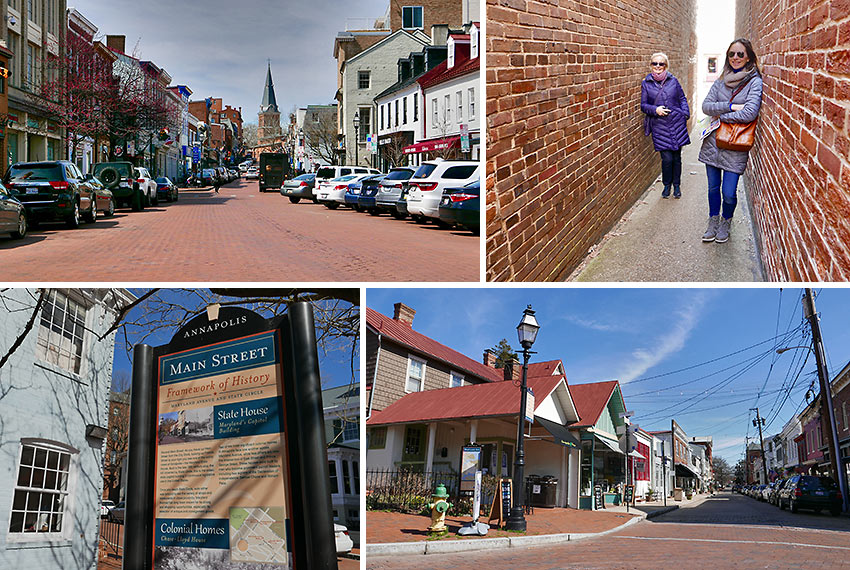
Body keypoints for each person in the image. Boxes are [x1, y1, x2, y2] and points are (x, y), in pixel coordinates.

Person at [699, 38, 763, 243]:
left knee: (728, 192)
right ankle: (713, 220)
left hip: (736, 144)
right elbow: (706, 107)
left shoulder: (754, 82)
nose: (735, 58)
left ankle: (726, 220)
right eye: (731, 54)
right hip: (713, 143)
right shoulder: (720, 80)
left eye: (740, 54)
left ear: (749, 57)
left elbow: (750, 113)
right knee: (712, 188)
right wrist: (731, 106)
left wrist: (721, 116)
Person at [640, 52, 691, 199]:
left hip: (676, 123)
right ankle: (666, 185)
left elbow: (681, 98)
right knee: (667, 159)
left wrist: (685, 114)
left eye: (661, 64)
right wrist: (655, 110)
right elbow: (643, 105)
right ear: (651, 65)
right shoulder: (646, 83)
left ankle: (676, 185)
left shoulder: (673, 81)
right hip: (659, 126)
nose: (657, 66)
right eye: (654, 63)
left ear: (666, 66)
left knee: (676, 158)